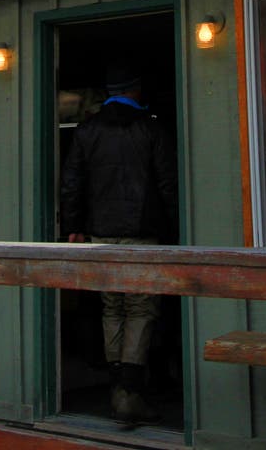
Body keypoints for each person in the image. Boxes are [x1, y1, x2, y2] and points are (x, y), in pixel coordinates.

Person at [59, 64, 178, 424]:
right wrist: (174, 229)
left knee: (112, 307)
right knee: (141, 308)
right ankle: (130, 390)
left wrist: (74, 227)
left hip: (99, 234)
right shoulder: (151, 128)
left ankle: (117, 385)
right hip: (143, 234)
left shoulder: (87, 131)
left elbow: (71, 183)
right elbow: (168, 184)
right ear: (136, 90)